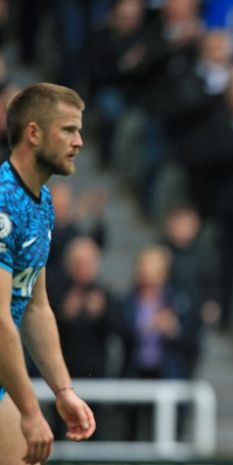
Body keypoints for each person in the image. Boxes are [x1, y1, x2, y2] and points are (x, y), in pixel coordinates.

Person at [0, 83, 96, 464]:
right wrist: (28, 410)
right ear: (34, 133)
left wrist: (63, 390)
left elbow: (35, 306)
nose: (80, 142)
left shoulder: (41, 204)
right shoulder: (3, 203)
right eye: (69, 130)